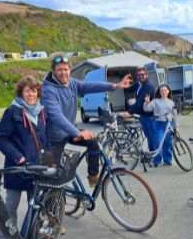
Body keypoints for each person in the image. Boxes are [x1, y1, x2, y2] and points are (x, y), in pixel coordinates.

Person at [42, 55, 131, 187]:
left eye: (65, 69)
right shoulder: (48, 90)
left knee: (93, 143)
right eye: (59, 69)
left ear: (70, 70)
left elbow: (91, 86)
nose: (63, 72)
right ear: (53, 71)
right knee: (52, 177)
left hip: (69, 131)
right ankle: (50, 203)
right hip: (53, 137)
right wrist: (77, 133)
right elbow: (56, 116)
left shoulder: (72, 83)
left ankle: (93, 177)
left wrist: (115, 86)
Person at [0, 76, 50, 239]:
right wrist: (18, 156)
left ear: (37, 92)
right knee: (11, 206)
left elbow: (44, 139)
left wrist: (49, 160)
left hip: (36, 168)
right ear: (21, 92)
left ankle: (40, 231)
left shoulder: (41, 111)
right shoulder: (13, 111)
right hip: (17, 169)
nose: (31, 94)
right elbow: (0, 138)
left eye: (33, 90)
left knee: (38, 204)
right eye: (27, 90)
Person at [122, 67, 156, 156]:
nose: (141, 76)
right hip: (143, 115)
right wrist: (125, 85)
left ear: (147, 75)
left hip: (150, 116)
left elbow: (140, 102)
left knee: (153, 137)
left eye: (142, 75)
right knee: (149, 137)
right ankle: (152, 155)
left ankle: (157, 158)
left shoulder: (148, 86)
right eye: (139, 75)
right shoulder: (138, 84)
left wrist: (129, 112)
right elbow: (129, 90)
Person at [143, 84, 177, 166]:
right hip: (159, 123)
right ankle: (157, 160)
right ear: (159, 92)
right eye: (161, 90)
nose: (163, 92)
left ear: (168, 91)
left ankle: (167, 160)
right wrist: (147, 103)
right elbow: (147, 109)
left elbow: (175, 115)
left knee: (168, 142)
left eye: (165, 90)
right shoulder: (155, 101)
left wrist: (176, 126)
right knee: (158, 142)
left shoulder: (172, 102)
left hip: (169, 124)